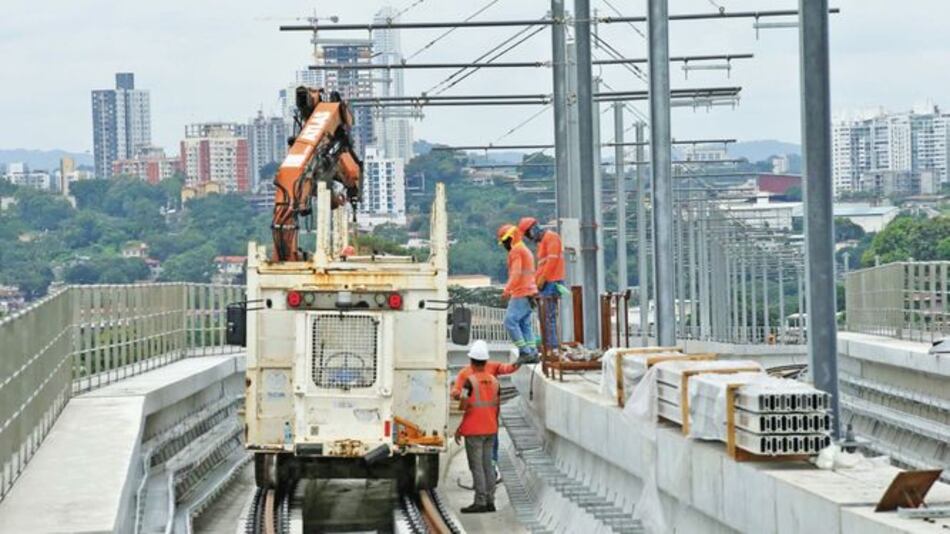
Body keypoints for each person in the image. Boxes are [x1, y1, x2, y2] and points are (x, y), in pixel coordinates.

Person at [452, 340, 520, 466]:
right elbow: (508, 368)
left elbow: (456, 391)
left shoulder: (465, 373)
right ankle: (490, 475)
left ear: (471, 358)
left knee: (477, 459)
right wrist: (521, 361)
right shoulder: (490, 368)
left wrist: (457, 395)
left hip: (476, 420)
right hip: (490, 419)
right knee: (490, 450)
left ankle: (482, 479)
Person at [454, 347, 501, 514]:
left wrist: (460, 426)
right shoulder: (495, 381)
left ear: (472, 362)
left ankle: (480, 501)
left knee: (477, 466)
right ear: (486, 362)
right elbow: (497, 407)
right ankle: (490, 501)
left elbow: (464, 404)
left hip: (474, 430)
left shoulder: (469, 381)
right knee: (488, 465)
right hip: (491, 429)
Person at [518, 217, 566, 350]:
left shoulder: (552, 238)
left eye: (528, 234)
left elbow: (552, 262)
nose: (529, 238)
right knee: (544, 315)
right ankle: (549, 345)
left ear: (533, 229)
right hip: (546, 283)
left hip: (551, 282)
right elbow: (541, 266)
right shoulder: (543, 242)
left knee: (548, 315)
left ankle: (552, 347)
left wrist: (542, 279)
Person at [497, 224, 540, 364]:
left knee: (510, 321)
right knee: (524, 323)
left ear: (511, 238)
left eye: (505, 241)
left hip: (521, 292)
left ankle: (524, 352)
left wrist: (507, 290)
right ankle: (532, 352)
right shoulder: (525, 250)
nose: (504, 245)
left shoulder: (516, 251)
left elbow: (516, 273)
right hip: (530, 292)